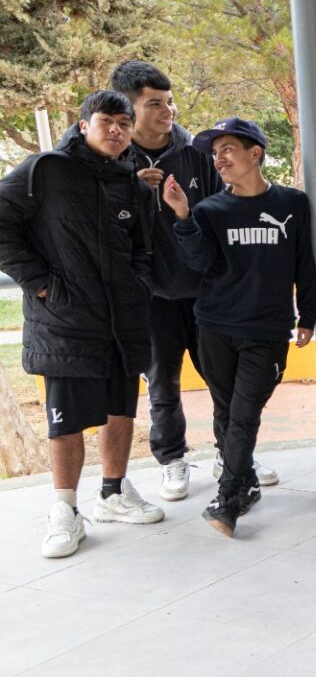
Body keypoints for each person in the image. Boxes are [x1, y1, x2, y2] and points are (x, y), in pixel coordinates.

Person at [0, 91, 164, 557]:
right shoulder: (45, 170)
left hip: (121, 320)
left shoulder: (132, 185)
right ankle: (65, 510)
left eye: (124, 124)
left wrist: (138, 285)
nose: (116, 130)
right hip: (65, 321)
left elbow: (143, 249)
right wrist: (40, 283)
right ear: (83, 125)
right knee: (66, 419)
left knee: (121, 409)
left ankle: (113, 493)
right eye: (107, 121)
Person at [163, 119, 316, 535]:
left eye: (228, 149)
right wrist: (183, 216)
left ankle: (228, 498)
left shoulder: (293, 204)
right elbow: (199, 262)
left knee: (245, 414)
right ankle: (245, 483)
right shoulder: (209, 210)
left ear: (255, 153)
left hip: (266, 330)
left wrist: (308, 314)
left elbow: (304, 261)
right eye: (215, 153)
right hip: (215, 325)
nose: (219, 159)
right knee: (227, 411)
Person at [108, 59, 231, 502]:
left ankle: (232, 455)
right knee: (162, 385)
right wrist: (132, 191)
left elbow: (222, 212)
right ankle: (172, 460)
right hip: (150, 295)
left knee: (223, 379)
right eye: (155, 104)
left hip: (206, 290)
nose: (168, 111)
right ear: (130, 109)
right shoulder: (113, 161)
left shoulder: (197, 151)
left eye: (170, 101)